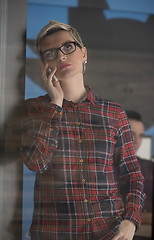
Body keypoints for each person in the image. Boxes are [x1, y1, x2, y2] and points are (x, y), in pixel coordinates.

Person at [20, 20, 145, 240]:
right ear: (44, 65)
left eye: (67, 47)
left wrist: (131, 220)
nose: (61, 56)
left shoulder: (113, 112)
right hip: (55, 234)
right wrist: (55, 105)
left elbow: (133, 176)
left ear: (84, 53)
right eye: (50, 53)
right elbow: (36, 162)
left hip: (110, 232)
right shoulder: (34, 109)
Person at [126, 110, 153, 233]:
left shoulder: (150, 167)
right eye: (132, 134)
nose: (137, 141)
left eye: (141, 136)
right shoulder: (104, 167)